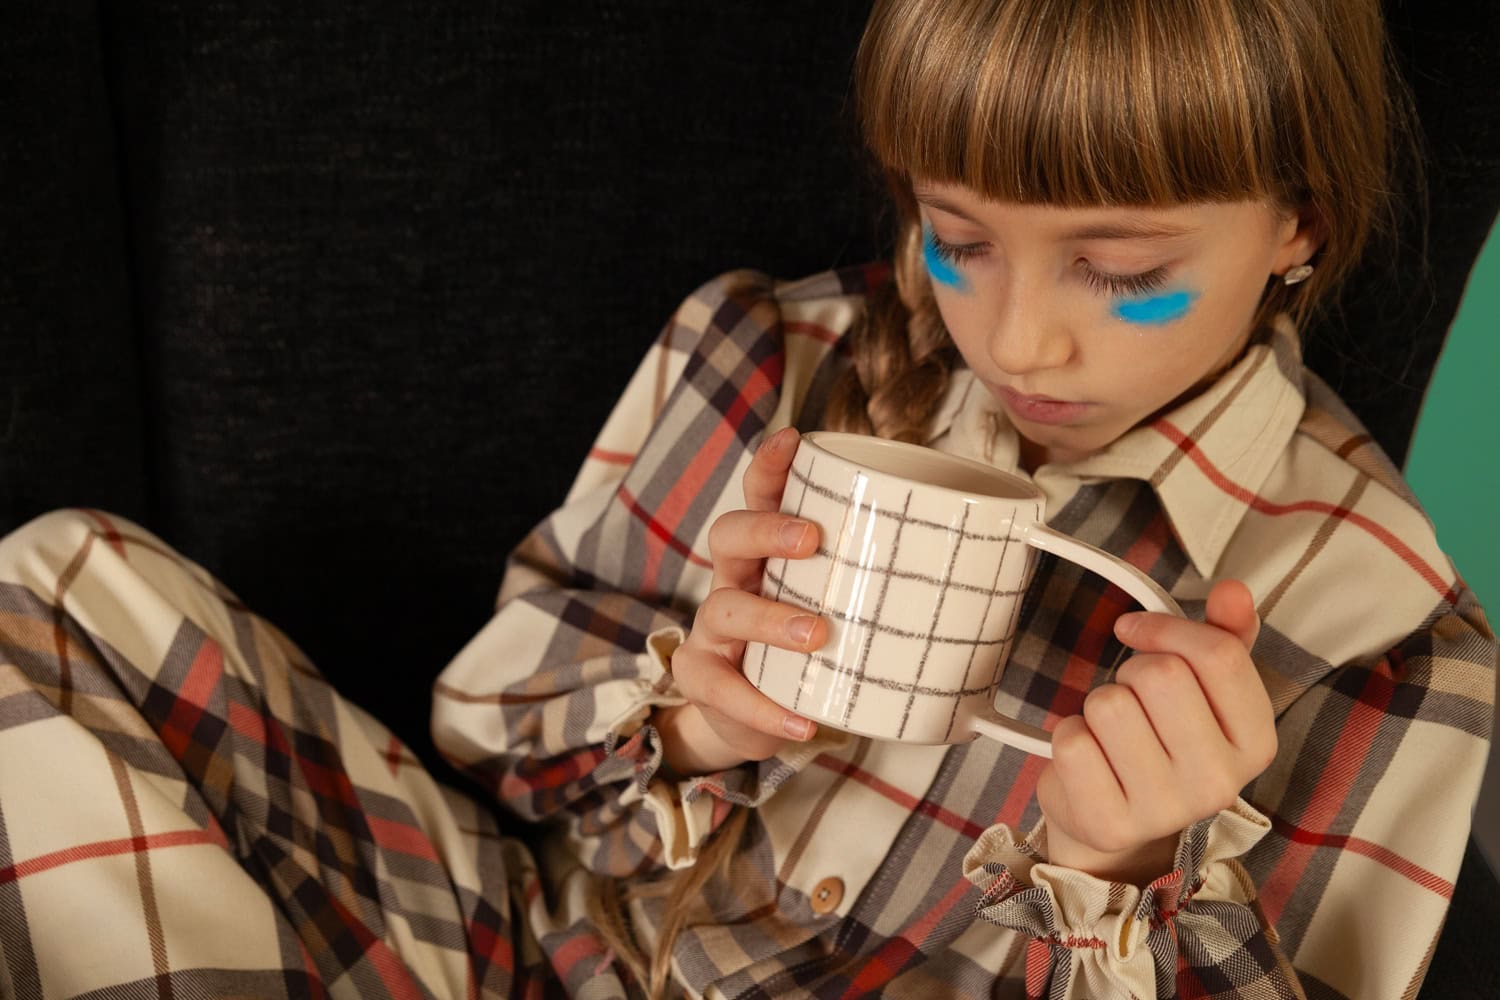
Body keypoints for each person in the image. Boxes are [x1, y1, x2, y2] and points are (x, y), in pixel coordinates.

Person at [0, 0, 1491, 997]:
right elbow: (486, 733)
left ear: (1298, 226)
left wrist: (1121, 879)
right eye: (960, 239)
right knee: (56, 579)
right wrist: (690, 724)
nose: (1020, 340)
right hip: (530, 953)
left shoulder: (1388, 640)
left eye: (1123, 272)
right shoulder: (771, 357)